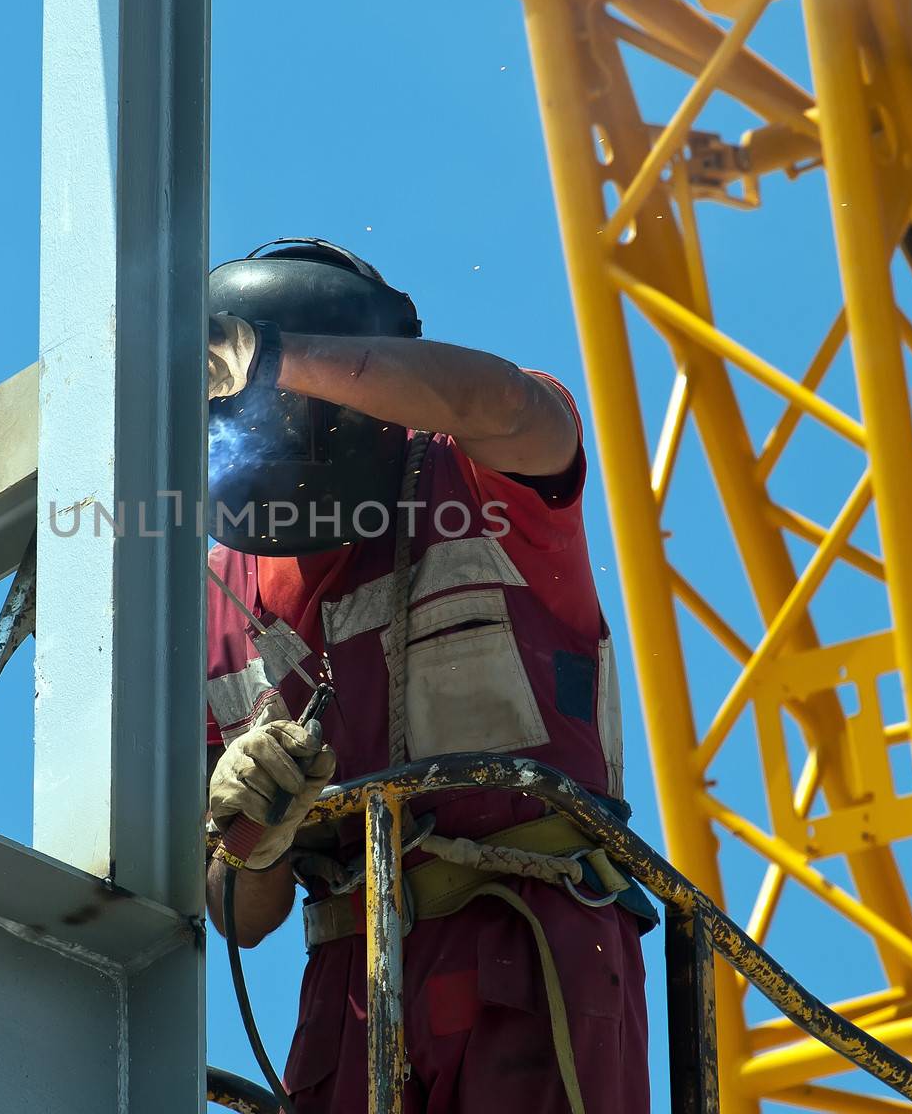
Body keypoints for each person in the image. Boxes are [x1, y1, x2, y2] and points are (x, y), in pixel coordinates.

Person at [202, 239, 654, 1114]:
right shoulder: (217, 597)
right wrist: (245, 824)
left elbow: (508, 401)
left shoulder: (482, 477)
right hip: (349, 995)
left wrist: (274, 356)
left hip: (527, 957)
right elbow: (243, 915)